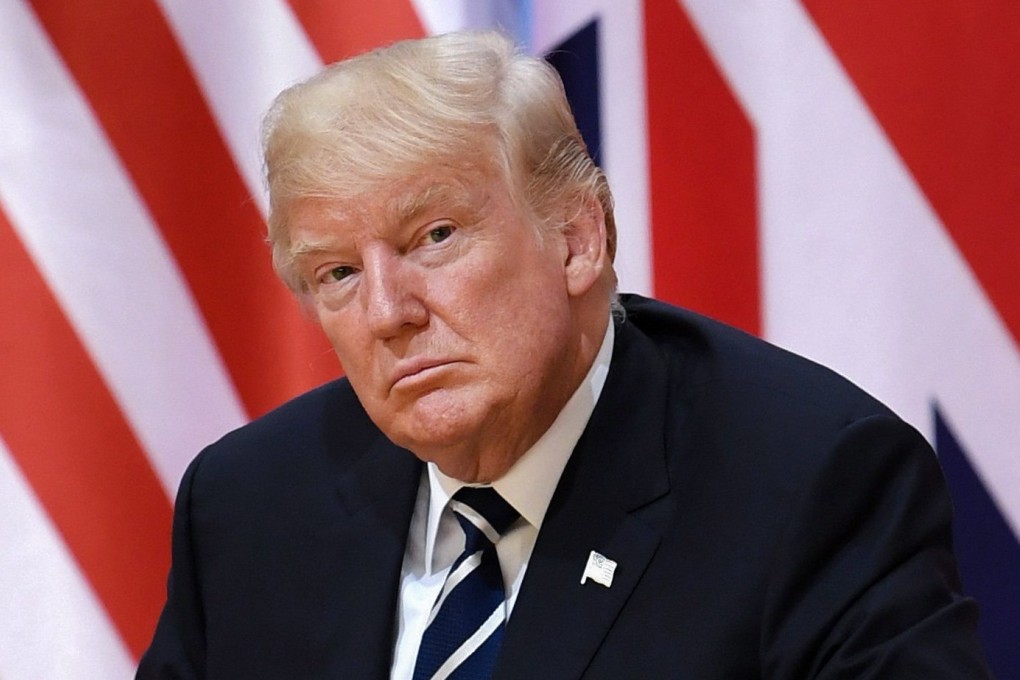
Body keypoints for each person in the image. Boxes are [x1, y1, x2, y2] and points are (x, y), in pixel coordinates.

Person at [138, 30, 991, 679]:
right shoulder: (248, 507)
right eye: (337, 272)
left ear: (578, 239)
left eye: (434, 236)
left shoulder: (813, 486)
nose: (387, 313)